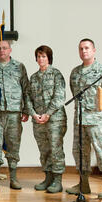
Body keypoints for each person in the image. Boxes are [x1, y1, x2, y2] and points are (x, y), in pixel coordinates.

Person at [66, 38, 102, 199]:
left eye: (87, 48)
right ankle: (83, 184)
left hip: (99, 120)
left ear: (94, 50)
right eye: (81, 49)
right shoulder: (75, 72)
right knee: (79, 152)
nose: (84, 51)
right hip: (80, 119)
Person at [0, 41, 30, 190]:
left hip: (14, 113)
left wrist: (26, 110)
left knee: (13, 146)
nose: (1, 50)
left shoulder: (19, 66)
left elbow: (26, 89)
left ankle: (14, 177)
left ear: (10, 50)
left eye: (4, 48)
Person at [26, 45, 67, 193]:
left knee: (55, 149)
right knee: (44, 150)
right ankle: (48, 177)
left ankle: (57, 180)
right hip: (38, 120)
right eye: (38, 56)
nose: (41, 59)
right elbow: (28, 98)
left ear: (49, 58)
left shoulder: (56, 74)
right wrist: (33, 114)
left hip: (55, 119)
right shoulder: (33, 77)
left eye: (44, 56)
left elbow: (59, 96)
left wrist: (48, 113)